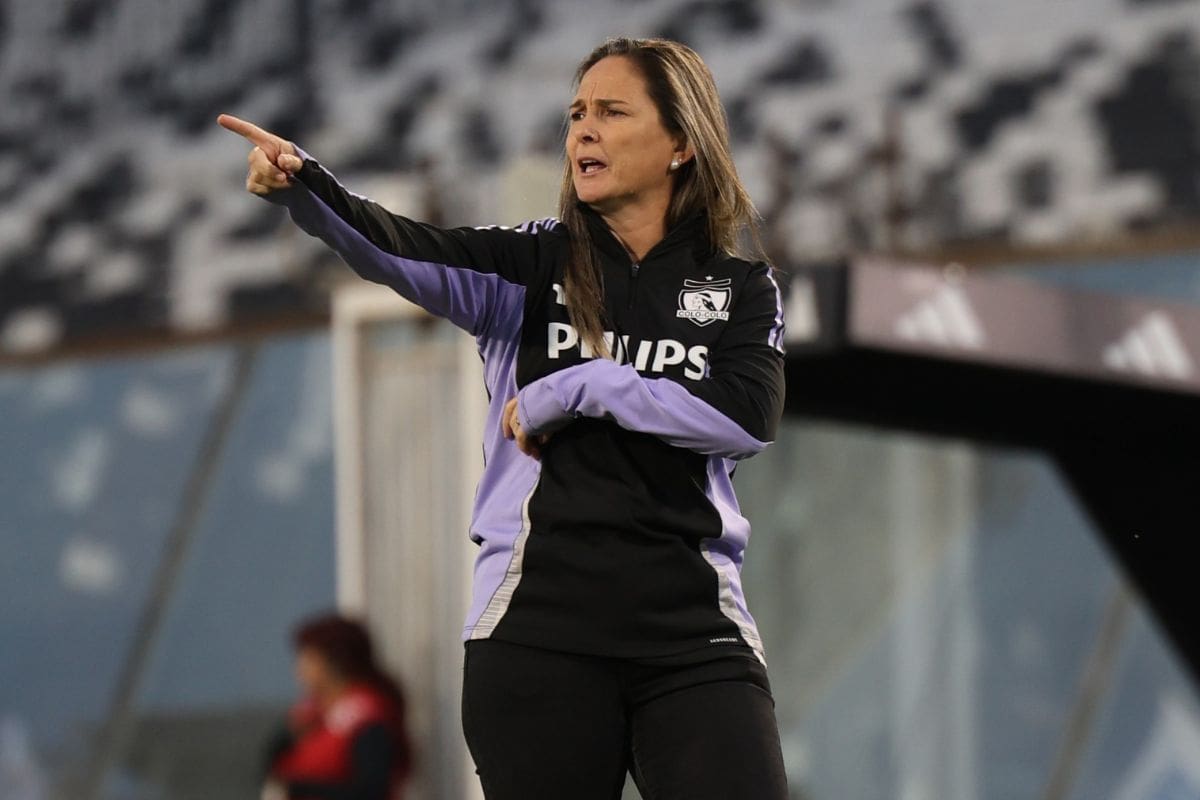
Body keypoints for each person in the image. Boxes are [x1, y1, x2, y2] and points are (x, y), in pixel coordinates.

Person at [222, 35, 788, 800]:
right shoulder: (529, 264)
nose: (583, 131)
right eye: (576, 114)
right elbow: (400, 248)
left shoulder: (741, 287)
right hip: (537, 631)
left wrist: (581, 386)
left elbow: (746, 417)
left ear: (681, 143)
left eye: (612, 112)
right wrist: (304, 187)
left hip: (697, 635)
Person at [262, 614, 412, 800]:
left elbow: (372, 790)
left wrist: (298, 789)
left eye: (308, 660)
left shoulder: (367, 717)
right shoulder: (314, 716)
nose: (299, 671)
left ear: (334, 663)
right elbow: (272, 767)